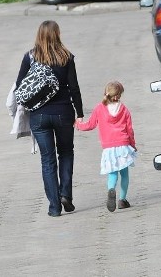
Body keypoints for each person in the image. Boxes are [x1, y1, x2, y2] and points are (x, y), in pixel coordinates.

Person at [15, 20, 84, 217]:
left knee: (47, 160)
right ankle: (66, 195)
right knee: (66, 153)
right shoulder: (66, 57)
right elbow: (74, 88)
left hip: (39, 116)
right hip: (63, 113)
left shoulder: (30, 57)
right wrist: (79, 113)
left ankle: (54, 207)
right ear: (58, 34)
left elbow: (20, 86)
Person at [75, 81, 137, 212]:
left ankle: (111, 190)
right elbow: (129, 129)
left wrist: (78, 125)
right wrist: (132, 144)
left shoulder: (99, 108)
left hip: (109, 147)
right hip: (123, 145)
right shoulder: (124, 109)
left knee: (112, 174)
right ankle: (122, 199)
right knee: (124, 174)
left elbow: (90, 125)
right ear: (119, 95)